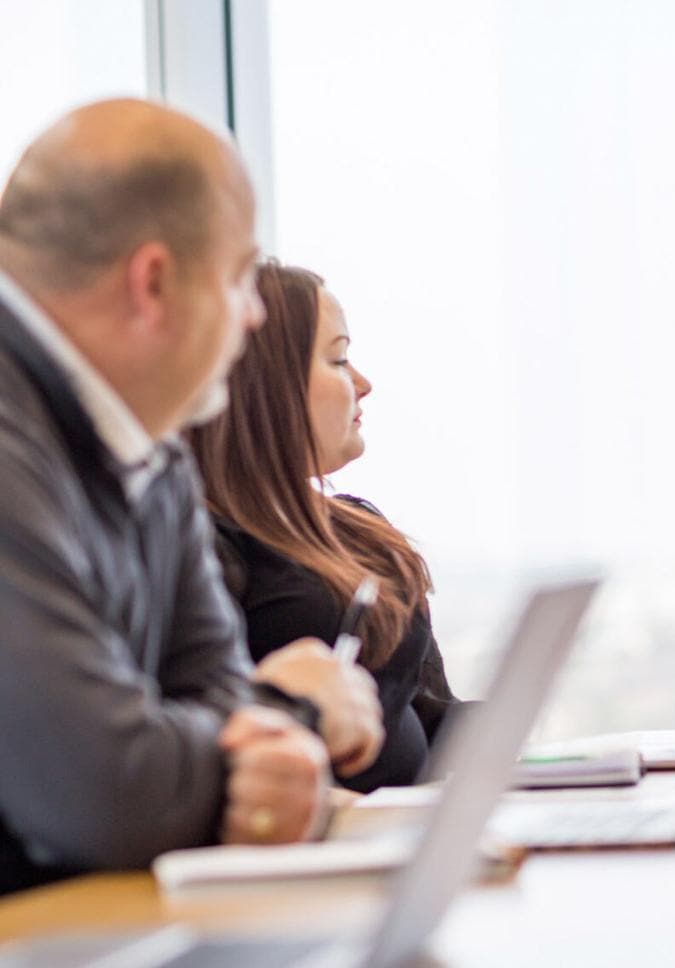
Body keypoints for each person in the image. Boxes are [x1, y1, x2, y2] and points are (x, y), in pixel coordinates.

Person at [0, 99, 384, 895]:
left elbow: (211, 691)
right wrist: (293, 712)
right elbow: (105, 789)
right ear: (154, 283)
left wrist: (254, 730)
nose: (252, 318)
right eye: (242, 279)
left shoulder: (152, 452)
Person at [187, 261, 464, 793]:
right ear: (264, 386)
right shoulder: (203, 549)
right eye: (337, 359)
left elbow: (431, 717)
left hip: (403, 831)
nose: (363, 383)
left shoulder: (362, 530)